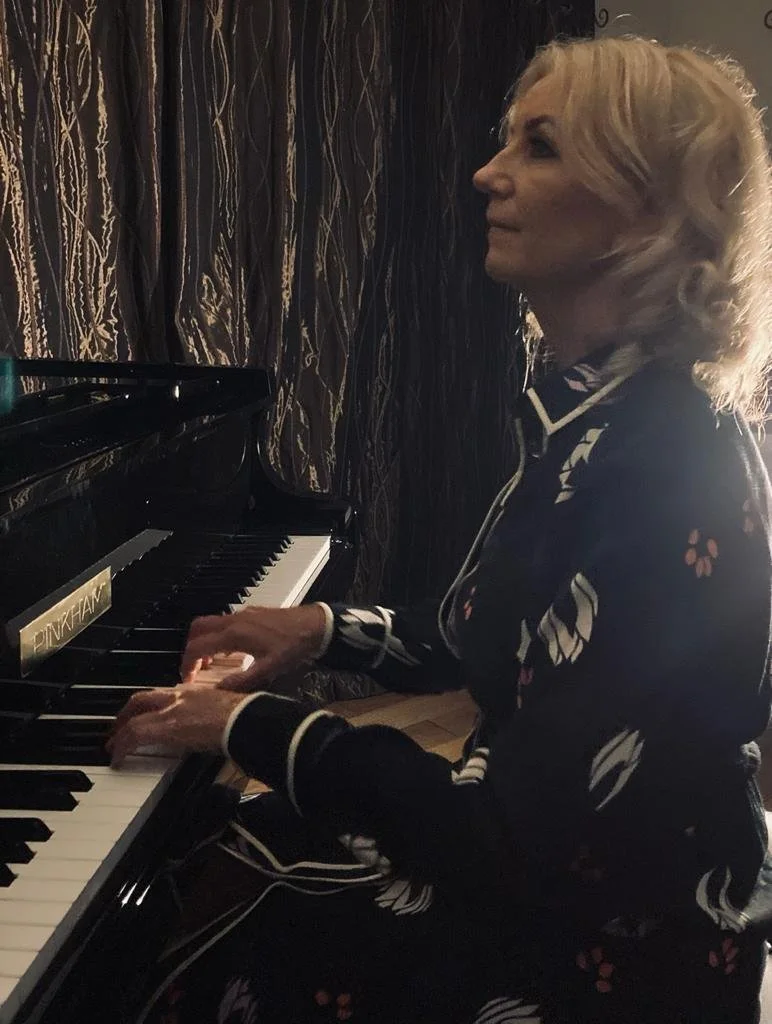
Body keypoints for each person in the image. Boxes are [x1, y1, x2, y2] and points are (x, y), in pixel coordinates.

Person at [109, 34, 772, 1024]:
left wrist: (249, 725)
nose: (485, 174)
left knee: (218, 930)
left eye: (538, 147)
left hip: (615, 945)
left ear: (644, 209)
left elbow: (504, 839)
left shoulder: (660, 463)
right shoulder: (595, 412)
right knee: (226, 860)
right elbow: (493, 632)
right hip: (553, 868)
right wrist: (323, 632)